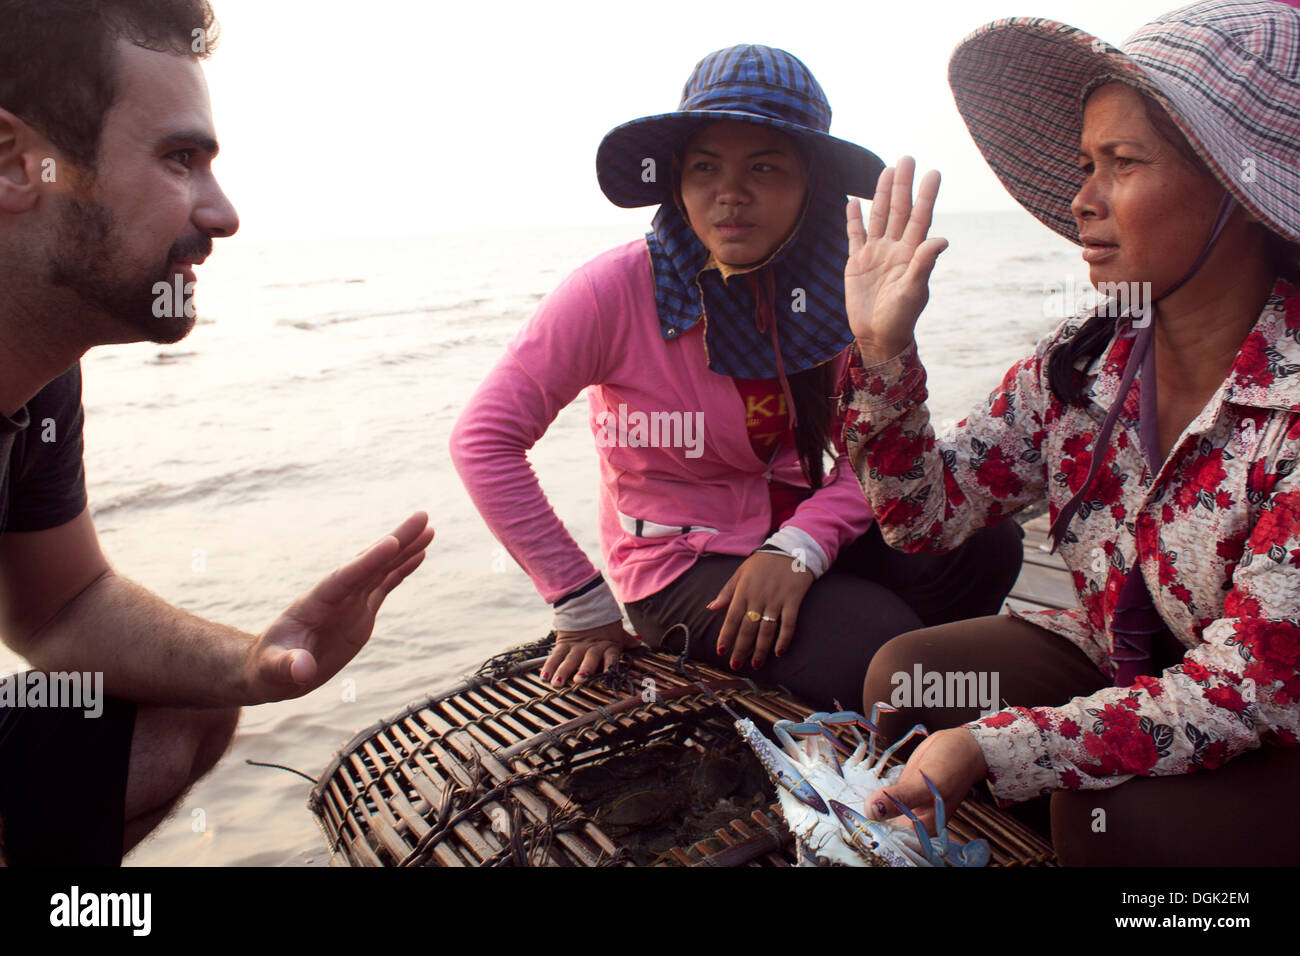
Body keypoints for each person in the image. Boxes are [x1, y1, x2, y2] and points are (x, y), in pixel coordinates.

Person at [843, 0, 1300, 864]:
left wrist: (993, 746)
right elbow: (924, 518)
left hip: (1273, 714)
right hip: (1126, 657)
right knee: (907, 684)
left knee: (1113, 821)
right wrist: (883, 350)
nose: (1081, 198)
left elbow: (1248, 692)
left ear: (1237, 190)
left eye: (1121, 163)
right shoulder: (1088, 361)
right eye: (1085, 163)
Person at [451, 45, 1022, 710]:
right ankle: (880, 692)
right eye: (705, 167)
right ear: (675, 181)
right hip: (686, 566)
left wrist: (801, 547)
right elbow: (484, 441)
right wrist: (578, 599)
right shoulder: (612, 291)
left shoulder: (842, 284)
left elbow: (878, 454)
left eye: (764, 166)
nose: (730, 193)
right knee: (888, 655)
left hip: (805, 531)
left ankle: (893, 704)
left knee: (984, 542)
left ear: (810, 181)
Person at [0, 0, 433, 866]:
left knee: (182, 702)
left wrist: (253, 663)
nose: (223, 214)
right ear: (20, 164)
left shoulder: (40, 381)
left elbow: (60, 608)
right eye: (180, 160)